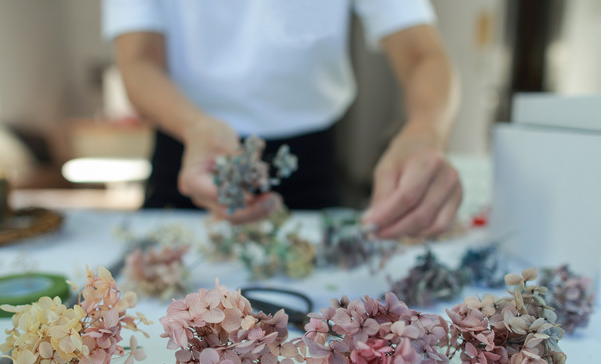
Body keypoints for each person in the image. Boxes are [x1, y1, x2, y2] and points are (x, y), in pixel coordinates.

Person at [102, 0, 461, 240]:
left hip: (310, 161)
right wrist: (194, 126)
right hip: (188, 149)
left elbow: (422, 53)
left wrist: (425, 131)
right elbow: (137, 60)